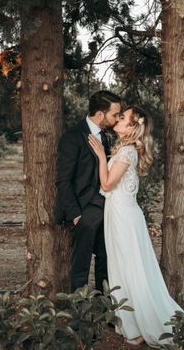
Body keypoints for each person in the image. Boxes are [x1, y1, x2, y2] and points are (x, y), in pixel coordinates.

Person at [87, 106, 184, 347]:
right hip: (119, 213)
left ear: (132, 127)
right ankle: (132, 324)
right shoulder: (124, 149)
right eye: (119, 116)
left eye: (123, 117)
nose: (118, 119)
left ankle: (140, 325)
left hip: (123, 217)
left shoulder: (127, 152)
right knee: (122, 267)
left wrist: (101, 157)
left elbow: (107, 185)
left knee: (129, 269)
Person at [55, 90, 122, 292]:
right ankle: (79, 317)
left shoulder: (109, 137)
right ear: (100, 114)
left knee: (106, 263)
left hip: (107, 211)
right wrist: (75, 215)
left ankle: (105, 310)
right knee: (80, 267)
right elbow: (63, 181)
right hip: (84, 213)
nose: (117, 118)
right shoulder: (73, 137)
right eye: (114, 114)